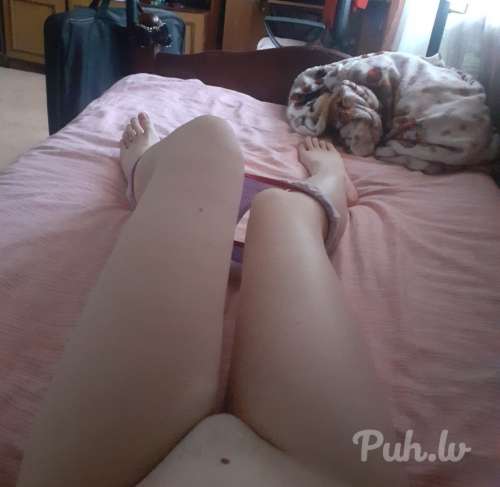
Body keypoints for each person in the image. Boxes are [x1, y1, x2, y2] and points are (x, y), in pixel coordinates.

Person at [17, 114, 408, 487]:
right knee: (280, 207)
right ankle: (328, 185)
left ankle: (144, 177)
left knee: (206, 141)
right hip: (334, 475)